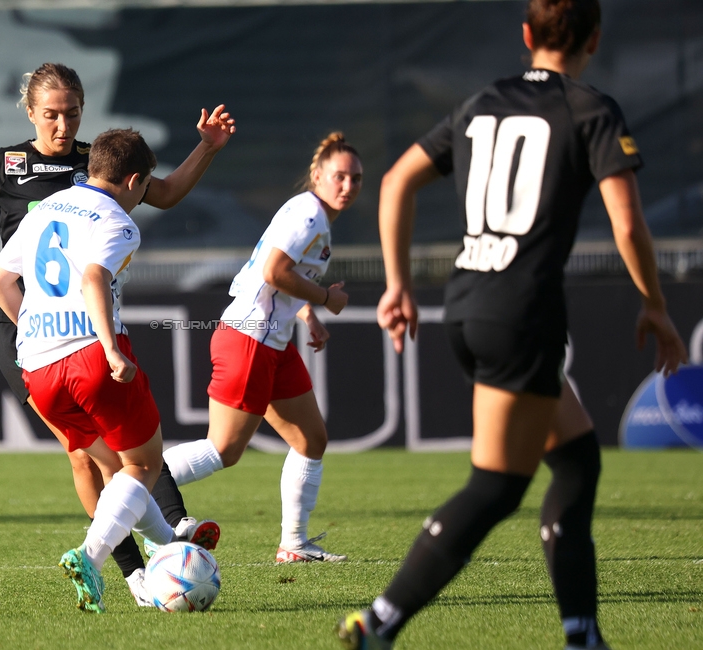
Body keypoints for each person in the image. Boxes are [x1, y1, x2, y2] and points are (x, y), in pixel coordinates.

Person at [336, 1, 688, 648]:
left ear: (526, 36)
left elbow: (396, 181)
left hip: (468, 302)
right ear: (595, 39)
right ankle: (379, 622)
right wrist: (656, 305)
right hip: (521, 311)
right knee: (496, 487)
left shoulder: (480, 102)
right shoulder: (591, 109)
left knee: (578, 460)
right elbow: (630, 223)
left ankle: (583, 632)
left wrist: (400, 285)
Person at [0, 63, 234, 605]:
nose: (62, 125)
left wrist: (206, 149)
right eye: (51, 114)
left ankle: (171, 536)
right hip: (23, 325)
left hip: (78, 324)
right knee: (91, 457)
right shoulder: (3, 166)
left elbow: (160, 194)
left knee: (119, 452)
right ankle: (140, 572)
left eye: (72, 113)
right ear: (30, 113)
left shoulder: (97, 163)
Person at [0, 128, 218, 613]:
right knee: (145, 466)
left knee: (117, 470)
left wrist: (34, 330)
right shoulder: (118, 221)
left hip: (39, 368)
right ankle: (91, 556)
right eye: (143, 187)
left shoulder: (45, 208)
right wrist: (110, 349)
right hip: (92, 356)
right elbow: (94, 275)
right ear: (134, 181)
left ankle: (167, 545)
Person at [162, 132, 363, 564]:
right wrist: (326, 299)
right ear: (317, 175)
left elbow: (276, 274)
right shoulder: (309, 213)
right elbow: (273, 271)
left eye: (356, 179)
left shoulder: (313, 216)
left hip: (274, 339)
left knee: (311, 439)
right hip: (250, 338)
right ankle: (136, 484)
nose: (347, 186)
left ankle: (295, 543)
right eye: (339, 176)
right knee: (224, 450)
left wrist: (307, 314)